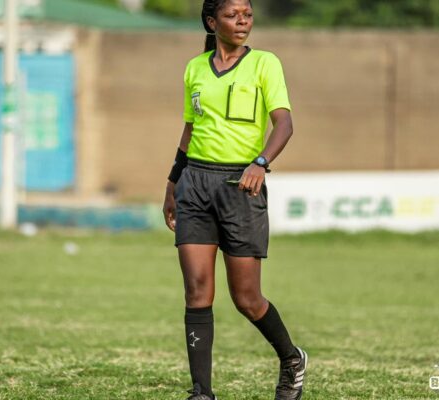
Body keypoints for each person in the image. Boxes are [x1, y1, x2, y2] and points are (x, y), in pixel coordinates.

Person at [163, 0, 308, 399]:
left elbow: (285, 123)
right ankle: (201, 392)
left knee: (246, 298)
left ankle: (291, 359)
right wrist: (172, 184)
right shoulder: (195, 68)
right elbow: (190, 131)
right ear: (212, 22)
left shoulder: (265, 63)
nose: (242, 20)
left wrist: (261, 162)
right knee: (197, 291)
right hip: (194, 184)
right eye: (232, 14)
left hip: (240, 188)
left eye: (247, 13)